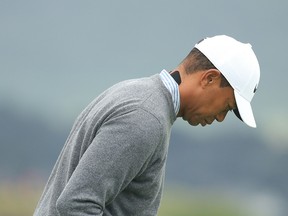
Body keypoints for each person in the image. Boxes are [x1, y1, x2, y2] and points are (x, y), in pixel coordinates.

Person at [34, 35, 260, 216]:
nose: (220, 118)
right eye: (227, 106)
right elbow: (76, 205)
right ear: (209, 78)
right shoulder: (145, 118)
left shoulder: (139, 94)